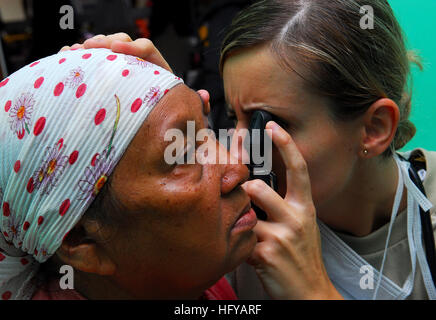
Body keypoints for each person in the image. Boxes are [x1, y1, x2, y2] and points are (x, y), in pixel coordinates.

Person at [79, 0, 436, 300]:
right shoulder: (236, 237)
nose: (237, 155)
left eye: (266, 125)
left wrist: (313, 292)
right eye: (232, 118)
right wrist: (163, 109)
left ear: (374, 129)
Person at [0, 47, 257, 300]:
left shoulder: (198, 286)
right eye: (182, 155)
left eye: (208, 130)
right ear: (80, 240)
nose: (238, 169)